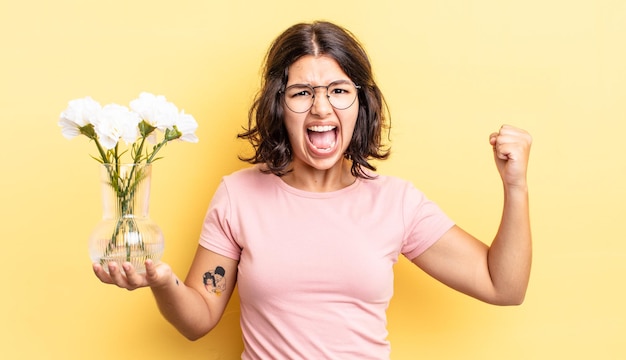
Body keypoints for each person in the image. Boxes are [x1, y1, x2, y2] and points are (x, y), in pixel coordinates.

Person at [93, 20, 532, 359]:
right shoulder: (239, 195)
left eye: (339, 90)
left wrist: (515, 186)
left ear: (361, 103)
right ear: (278, 106)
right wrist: (163, 281)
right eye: (302, 93)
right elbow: (198, 319)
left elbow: (503, 286)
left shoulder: (396, 202)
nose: (321, 107)